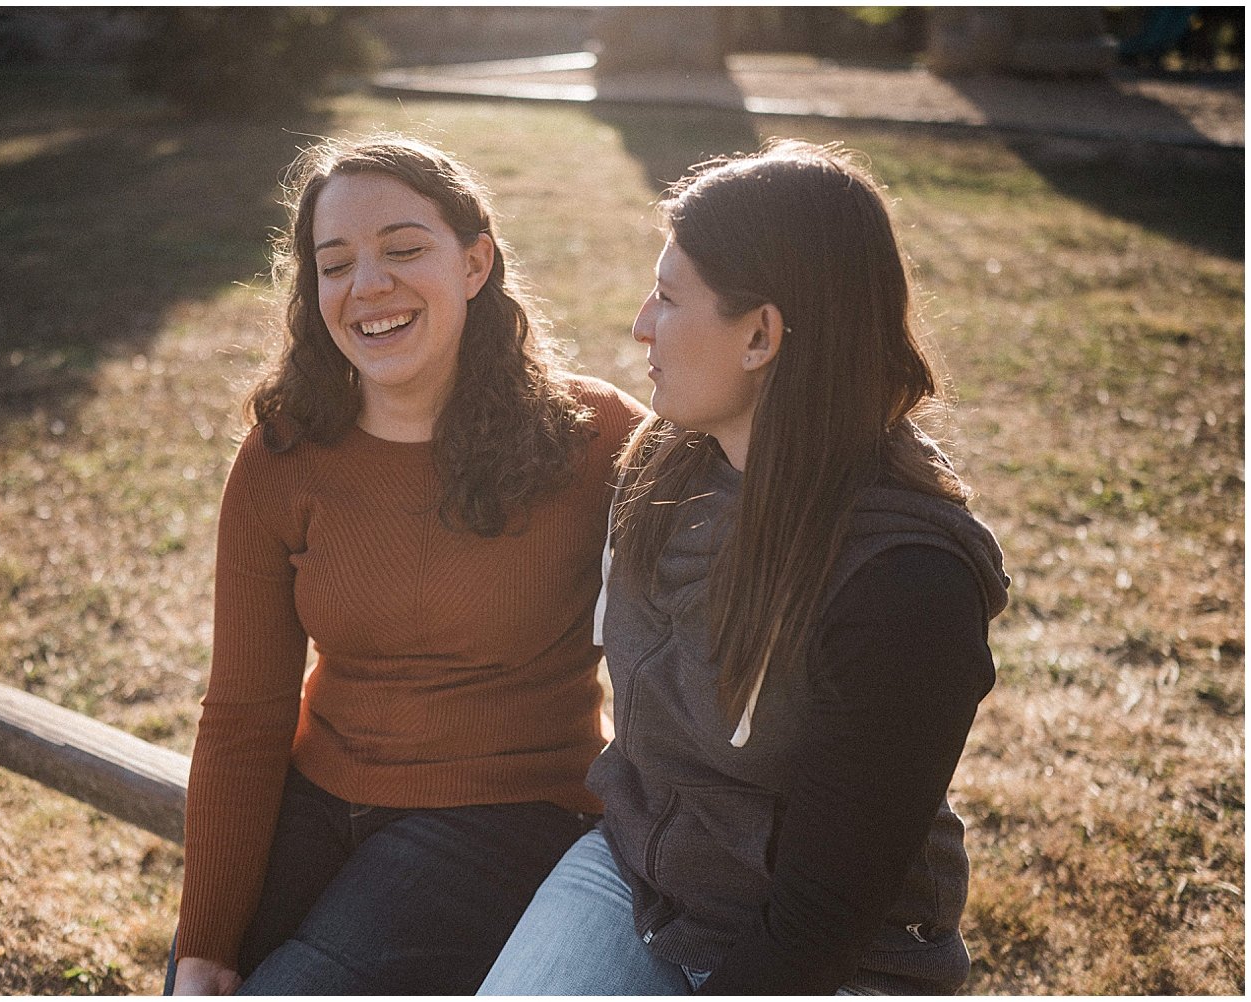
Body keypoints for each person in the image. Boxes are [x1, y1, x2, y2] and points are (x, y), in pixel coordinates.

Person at [479, 140, 1010, 996]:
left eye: (666, 297)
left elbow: (820, 919)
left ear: (761, 335)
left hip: (836, 954)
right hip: (639, 880)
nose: (640, 325)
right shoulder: (662, 467)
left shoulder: (907, 585)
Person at [166, 135, 647, 995]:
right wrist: (202, 948)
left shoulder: (596, 437)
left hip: (506, 812)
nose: (367, 285)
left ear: (475, 263)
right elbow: (243, 713)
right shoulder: (282, 457)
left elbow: (749, 490)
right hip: (316, 796)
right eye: (335, 262)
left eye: (404, 248)